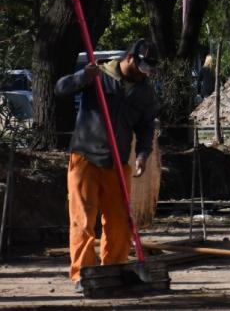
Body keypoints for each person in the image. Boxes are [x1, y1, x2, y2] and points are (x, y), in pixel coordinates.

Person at [55, 39, 159, 289]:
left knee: (120, 222)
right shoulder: (98, 75)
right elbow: (60, 88)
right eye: (143, 66)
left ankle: (113, 270)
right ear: (130, 58)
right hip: (85, 158)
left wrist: (143, 154)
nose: (145, 73)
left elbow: (146, 127)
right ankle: (83, 274)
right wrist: (82, 77)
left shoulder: (145, 92)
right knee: (82, 221)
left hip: (117, 162)